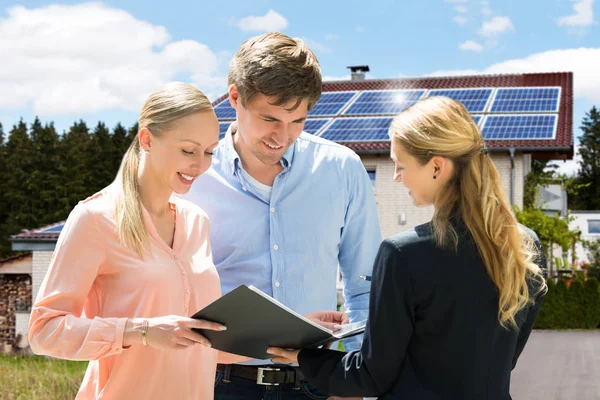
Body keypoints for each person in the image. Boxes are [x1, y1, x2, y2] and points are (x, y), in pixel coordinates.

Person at [267, 96, 548, 400]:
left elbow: (369, 377)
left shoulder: (403, 254)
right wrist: (377, 321)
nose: (397, 177)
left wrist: (303, 356)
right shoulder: (524, 246)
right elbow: (500, 356)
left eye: (401, 166)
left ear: (437, 168)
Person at [184, 32, 381, 399]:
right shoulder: (193, 178)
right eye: (270, 119)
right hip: (215, 384)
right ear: (235, 98)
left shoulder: (341, 170)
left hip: (316, 384)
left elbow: (365, 288)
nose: (282, 136)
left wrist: (354, 383)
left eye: (298, 121)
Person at [28, 82, 247, 399]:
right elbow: (43, 332)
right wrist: (141, 331)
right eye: (188, 150)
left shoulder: (197, 221)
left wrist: (290, 331)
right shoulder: (95, 218)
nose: (200, 165)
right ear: (147, 139)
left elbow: (200, 342)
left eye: (209, 151)